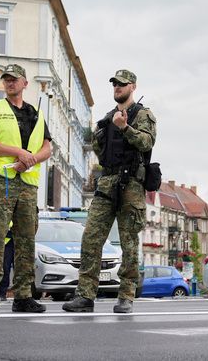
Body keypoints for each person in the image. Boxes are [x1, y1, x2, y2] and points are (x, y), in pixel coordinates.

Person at [63, 69, 156, 314]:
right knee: (91, 238)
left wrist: (125, 128)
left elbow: (147, 142)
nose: (117, 87)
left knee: (128, 242)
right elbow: (99, 148)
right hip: (107, 182)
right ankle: (85, 295)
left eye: (122, 84)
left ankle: (126, 296)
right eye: (115, 84)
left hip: (131, 185)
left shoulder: (142, 114)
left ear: (132, 87)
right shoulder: (107, 118)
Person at [0, 64, 52, 313]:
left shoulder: (36, 114)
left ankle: (23, 296)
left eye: (14, 79)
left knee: (26, 241)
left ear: (25, 83)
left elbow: (47, 148)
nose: (10, 82)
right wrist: (19, 152)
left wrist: (30, 159)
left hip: (28, 185)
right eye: (6, 79)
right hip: (2, 181)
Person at [0, 223, 14, 301]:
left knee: (20, 270)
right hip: (7, 245)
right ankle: (2, 293)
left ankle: (21, 294)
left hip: (19, 243)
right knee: (5, 269)